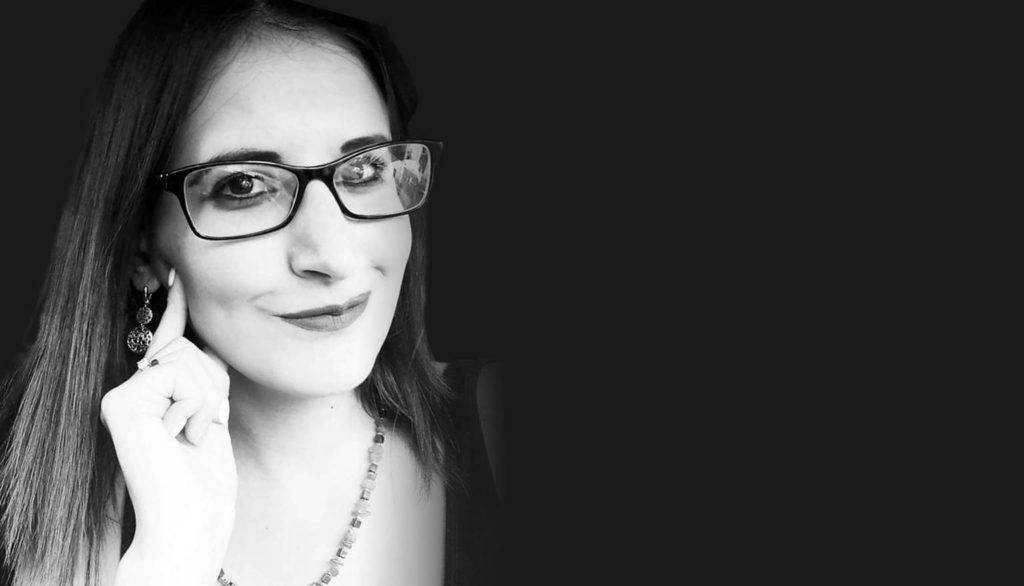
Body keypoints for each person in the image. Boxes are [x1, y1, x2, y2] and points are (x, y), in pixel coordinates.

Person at [0, 1, 502, 584]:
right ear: (143, 248)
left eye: (364, 171)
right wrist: (170, 560)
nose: (332, 257)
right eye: (244, 186)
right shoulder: (23, 490)